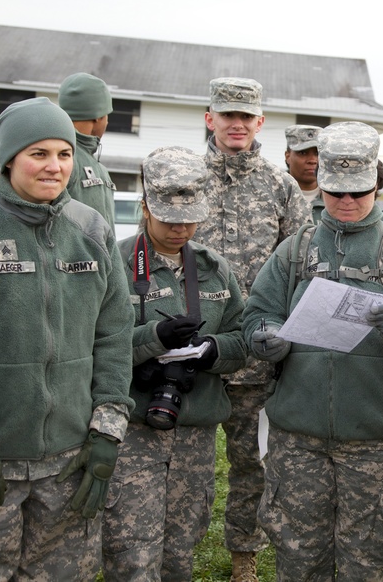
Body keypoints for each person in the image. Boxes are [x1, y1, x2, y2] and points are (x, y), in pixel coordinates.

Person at [0, 97, 134, 579]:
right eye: (39, 153)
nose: (54, 167)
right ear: (9, 158)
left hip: (67, 467)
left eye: (64, 153)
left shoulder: (92, 228)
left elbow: (115, 334)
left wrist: (106, 431)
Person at [243, 121, 383, 580]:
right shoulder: (295, 251)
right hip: (298, 440)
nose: (347, 203)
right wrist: (266, 336)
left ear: (376, 183)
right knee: (298, 558)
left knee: (366, 563)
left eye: (357, 192)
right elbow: (257, 314)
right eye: (335, 193)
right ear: (321, 189)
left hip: (377, 445)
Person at [102, 146, 249, 581]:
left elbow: (243, 339)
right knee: (131, 554)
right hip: (133, 434)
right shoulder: (115, 262)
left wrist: (212, 351)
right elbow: (93, 345)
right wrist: (152, 339)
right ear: (145, 207)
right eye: (169, 218)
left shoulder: (214, 269)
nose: (180, 228)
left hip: (194, 435)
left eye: (190, 219)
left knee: (181, 554)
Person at [193, 77, 310, 581]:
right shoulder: (186, 175)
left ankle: (245, 558)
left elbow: (301, 265)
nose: (236, 125)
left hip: (257, 357)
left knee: (253, 467)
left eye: (247, 117)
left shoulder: (281, 186)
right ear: (210, 118)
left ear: (261, 122)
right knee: (189, 469)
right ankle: (173, 551)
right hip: (191, 351)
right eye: (227, 115)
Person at [59, 72, 118, 230]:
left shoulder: (89, 161)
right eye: (107, 115)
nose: (107, 121)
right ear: (98, 116)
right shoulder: (65, 158)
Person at [284, 124, 324, 223]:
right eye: (303, 153)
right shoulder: (272, 194)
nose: (312, 160)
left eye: (317, 153)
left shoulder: (336, 198)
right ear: (288, 156)